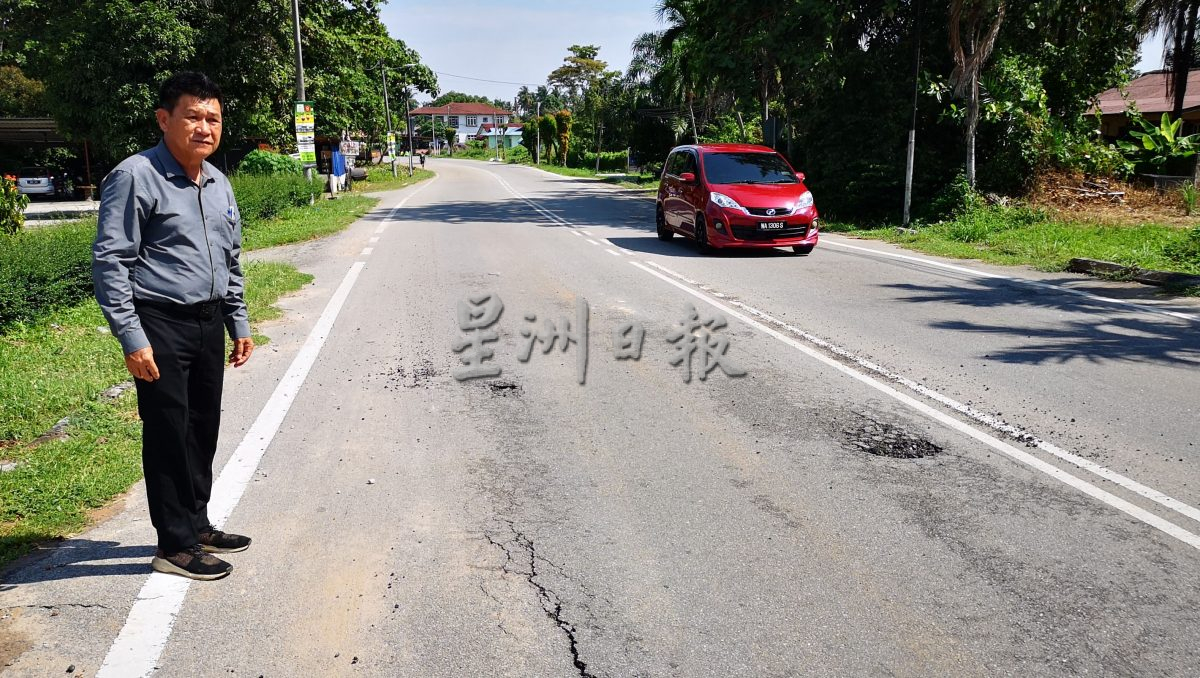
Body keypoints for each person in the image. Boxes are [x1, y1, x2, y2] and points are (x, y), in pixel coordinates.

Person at [93, 72, 254, 581]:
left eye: (213, 118)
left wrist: (238, 321)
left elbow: (230, 261)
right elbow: (111, 263)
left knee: (202, 428)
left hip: (207, 322)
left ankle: (197, 524)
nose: (204, 127)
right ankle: (174, 546)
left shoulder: (218, 181)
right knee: (168, 432)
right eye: (193, 116)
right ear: (165, 120)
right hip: (159, 322)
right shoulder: (135, 176)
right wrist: (132, 338)